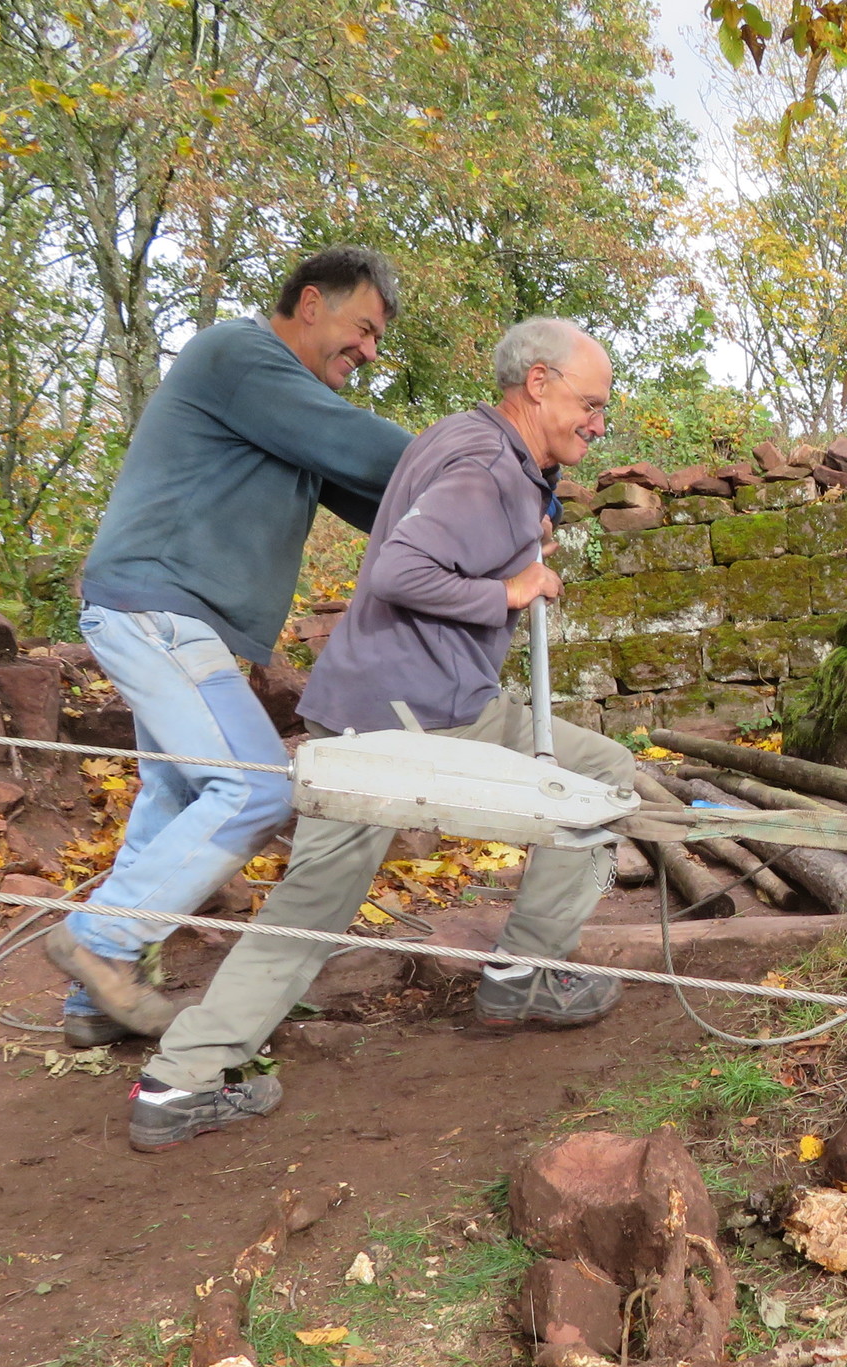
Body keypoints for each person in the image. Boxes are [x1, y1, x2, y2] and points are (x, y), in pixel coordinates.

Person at [124, 316, 638, 1152]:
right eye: (591, 403)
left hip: (378, 703)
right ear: (538, 383)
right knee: (599, 780)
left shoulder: (470, 441)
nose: (599, 422)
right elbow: (402, 569)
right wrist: (508, 592)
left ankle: (181, 1081)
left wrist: (522, 536)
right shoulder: (485, 469)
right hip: (422, 716)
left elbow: (456, 527)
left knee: (315, 901)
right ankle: (525, 972)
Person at [46, 247, 414, 1048]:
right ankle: (99, 942)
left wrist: (494, 520)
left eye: (377, 340)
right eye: (362, 328)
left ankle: (95, 1000)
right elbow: (369, 448)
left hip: (169, 617)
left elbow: (384, 497)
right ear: (310, 304)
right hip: (158, 610)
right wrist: (486, 462)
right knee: (254, 790)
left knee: (175, 799)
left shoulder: (288, 415)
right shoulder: (240, 356)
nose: (369, 351)